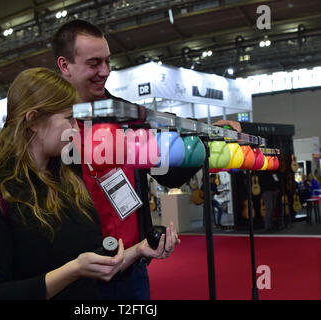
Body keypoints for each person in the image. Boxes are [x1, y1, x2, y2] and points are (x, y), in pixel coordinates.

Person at [52, 19, 241, 299]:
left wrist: (204, 140)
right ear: (65, 66)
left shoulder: (129, 116)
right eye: (94, 63)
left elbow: (168, 171)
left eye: (107, 61)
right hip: (78, 277)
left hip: (132, 269)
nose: (104, 71)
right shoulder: (51, 127)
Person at [0, 68, 135, 300]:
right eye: (68, 118)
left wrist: (136, 251)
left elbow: (87, 256)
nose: (75, 128)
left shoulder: (68, 176)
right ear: (33, 120)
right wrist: (74, 270)